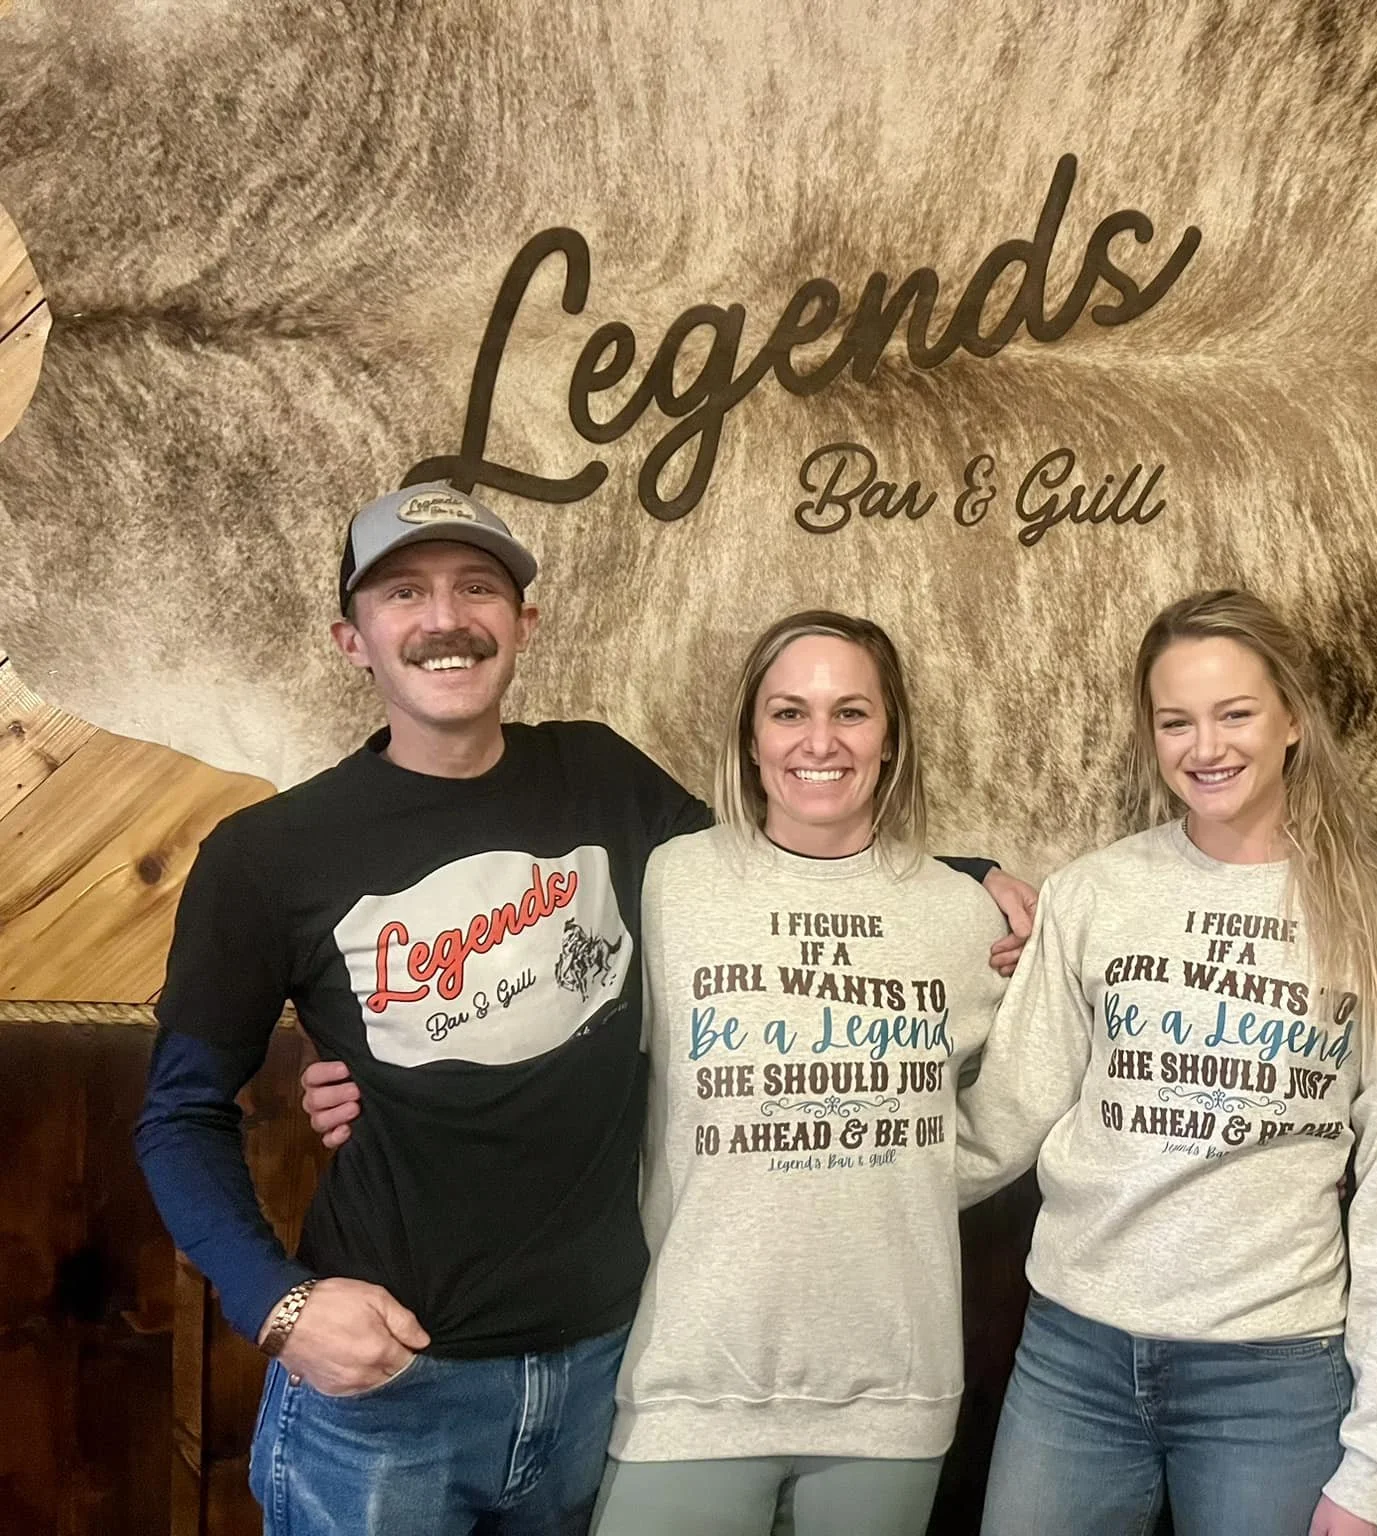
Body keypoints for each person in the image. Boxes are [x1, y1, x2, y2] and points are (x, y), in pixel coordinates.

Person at [135, 484, 1032, 1536]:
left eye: (478, 587)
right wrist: (277, 1306)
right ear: (351, 637)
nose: (444, 617)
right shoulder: (266, 856)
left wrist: (965, 882)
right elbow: (178, 1112)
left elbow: (783, 866)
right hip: (391, 1389)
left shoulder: (601, 779)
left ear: (524, 624)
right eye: (403, 592)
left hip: (605, 1371)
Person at [956, 588, 1377, 1536]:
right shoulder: (1095, 892)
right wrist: (835, 1180)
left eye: (1236, 713)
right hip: (1075, 1360)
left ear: (1294, 719)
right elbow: (999, 1125)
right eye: (1176, 720)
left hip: (1272, 1381)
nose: (1207, 746)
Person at [585, 610, 1010, 1535]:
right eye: (789, 713)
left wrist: (921, 1163)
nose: (820, 742)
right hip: (690, 1382)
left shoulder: (961, 913)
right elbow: (556, 1038)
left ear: (890, 737)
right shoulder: (668, 885)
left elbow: (1027, 1089)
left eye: (852, 713)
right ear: (750, 734)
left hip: (891, 1390)